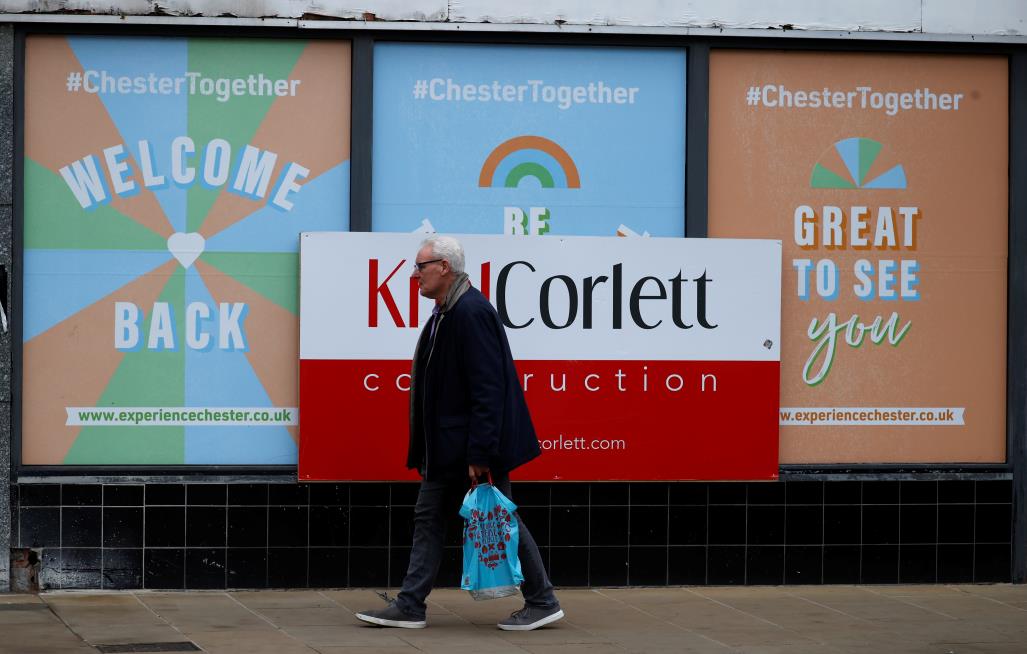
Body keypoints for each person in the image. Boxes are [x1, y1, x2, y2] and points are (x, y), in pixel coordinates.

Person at [356, 235, 563, 631]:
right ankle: (411, 604)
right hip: (449, 448)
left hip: (468, 448)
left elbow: (488, 388)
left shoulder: (469, 312)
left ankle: (542, 600)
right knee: (432, 517)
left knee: (501, 518)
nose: (414, 275)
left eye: (420, 266)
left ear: (444, 268)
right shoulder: (446, 312)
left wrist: (480, 453)